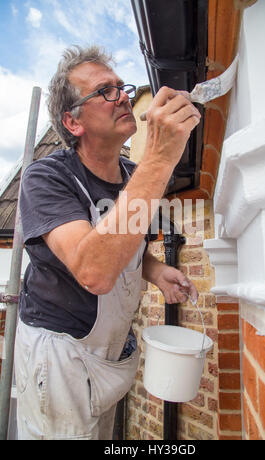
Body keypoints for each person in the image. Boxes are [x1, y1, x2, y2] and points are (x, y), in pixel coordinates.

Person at [14, 45, 201, 440]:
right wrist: (160, 158)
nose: (124, 97)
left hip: (111, 354)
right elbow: (95, 271)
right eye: (105, 91)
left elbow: (129, 248)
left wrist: (158, 271)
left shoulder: (135, 175)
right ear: (73, 121)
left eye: (122, 87)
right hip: (59, 356)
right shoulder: (46, 179)